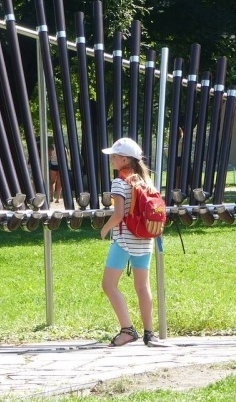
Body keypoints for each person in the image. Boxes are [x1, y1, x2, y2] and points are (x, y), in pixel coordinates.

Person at [99, 138, 160, 347]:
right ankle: (149, 334)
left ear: (124, 159)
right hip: (145, 240)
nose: (111, 160)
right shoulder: (146, 181)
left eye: (114, 157)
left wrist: (105, 229)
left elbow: (118, 215)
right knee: (143, 287)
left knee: (108, 285)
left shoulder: (119, 182)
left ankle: (127, 330)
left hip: (124, 241)